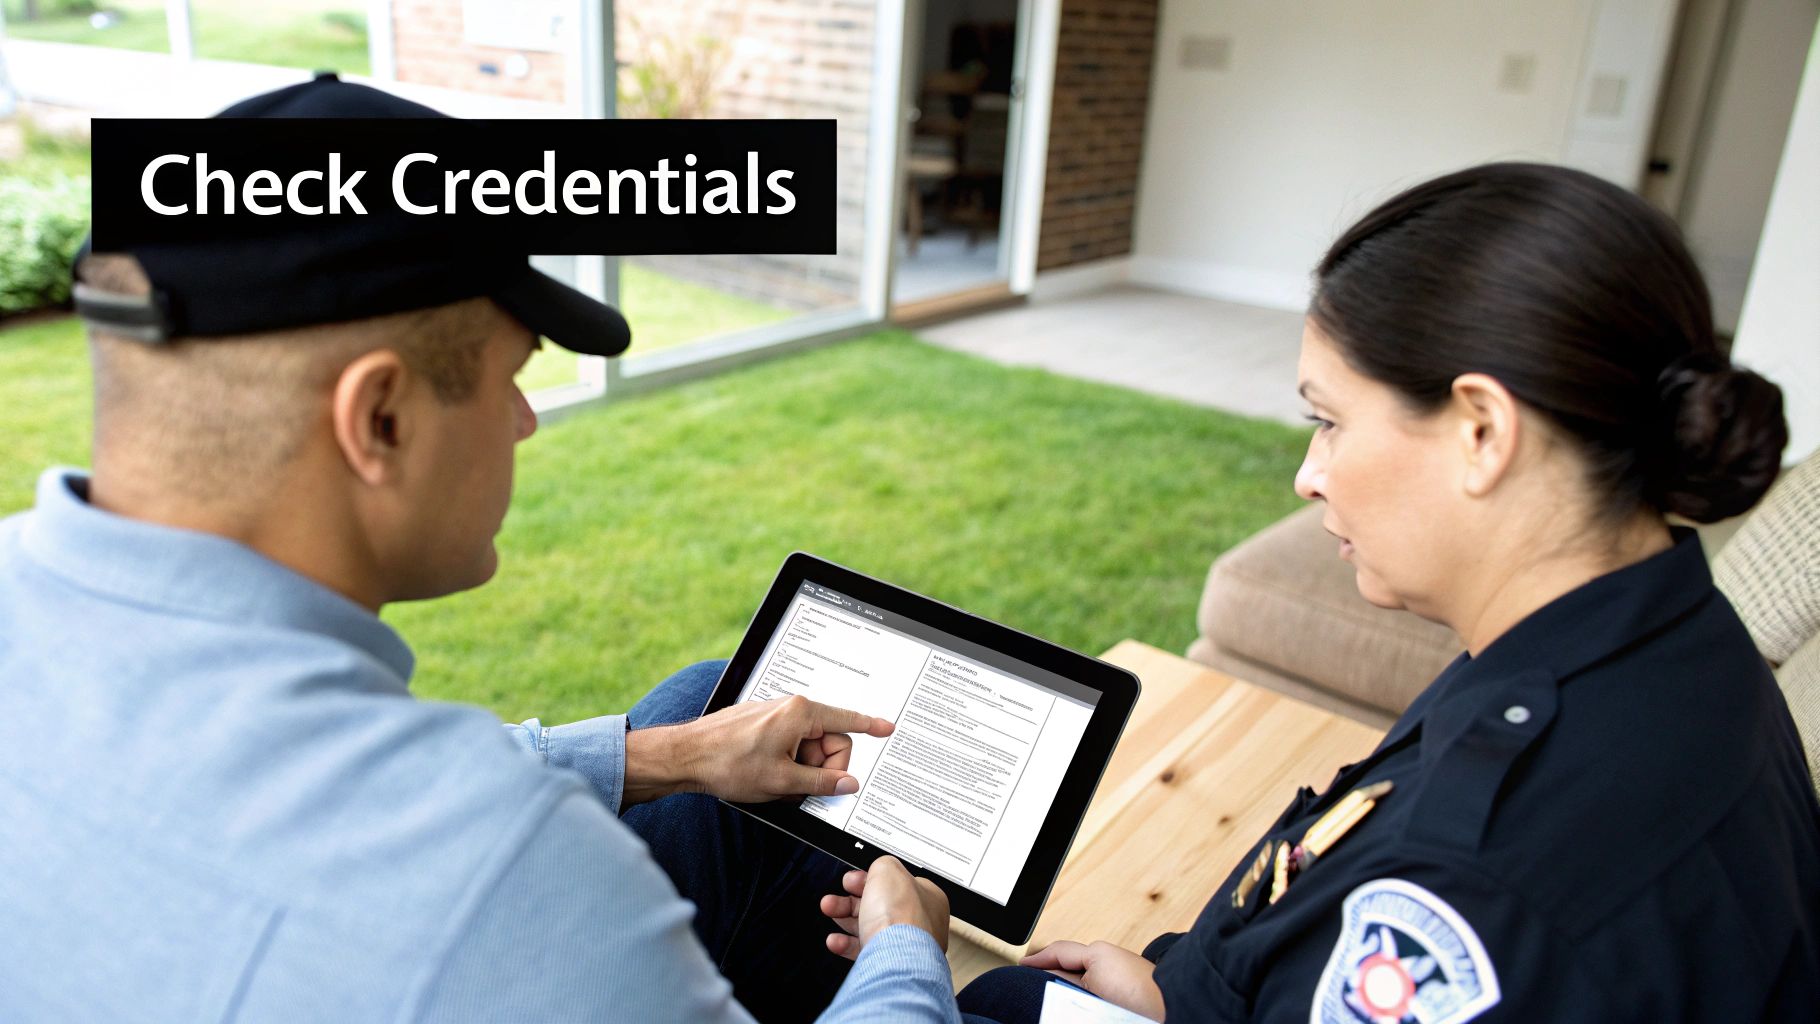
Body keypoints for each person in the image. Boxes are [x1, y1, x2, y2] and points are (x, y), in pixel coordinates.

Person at [0, 75, 957, 1022]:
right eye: (510, 380)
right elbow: (455, 866)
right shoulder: (498, 880)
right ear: (379, 418)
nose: (525, 422)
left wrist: (669, 756)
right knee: (1022, 995)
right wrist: (906, 956)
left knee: (705, 700)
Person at [947, 162, 1820, 1022]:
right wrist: (1185, 992)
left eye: (1329, 421)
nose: (1308, 475)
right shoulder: (1660, 636)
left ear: (1482, 432)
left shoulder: (1467, 897)